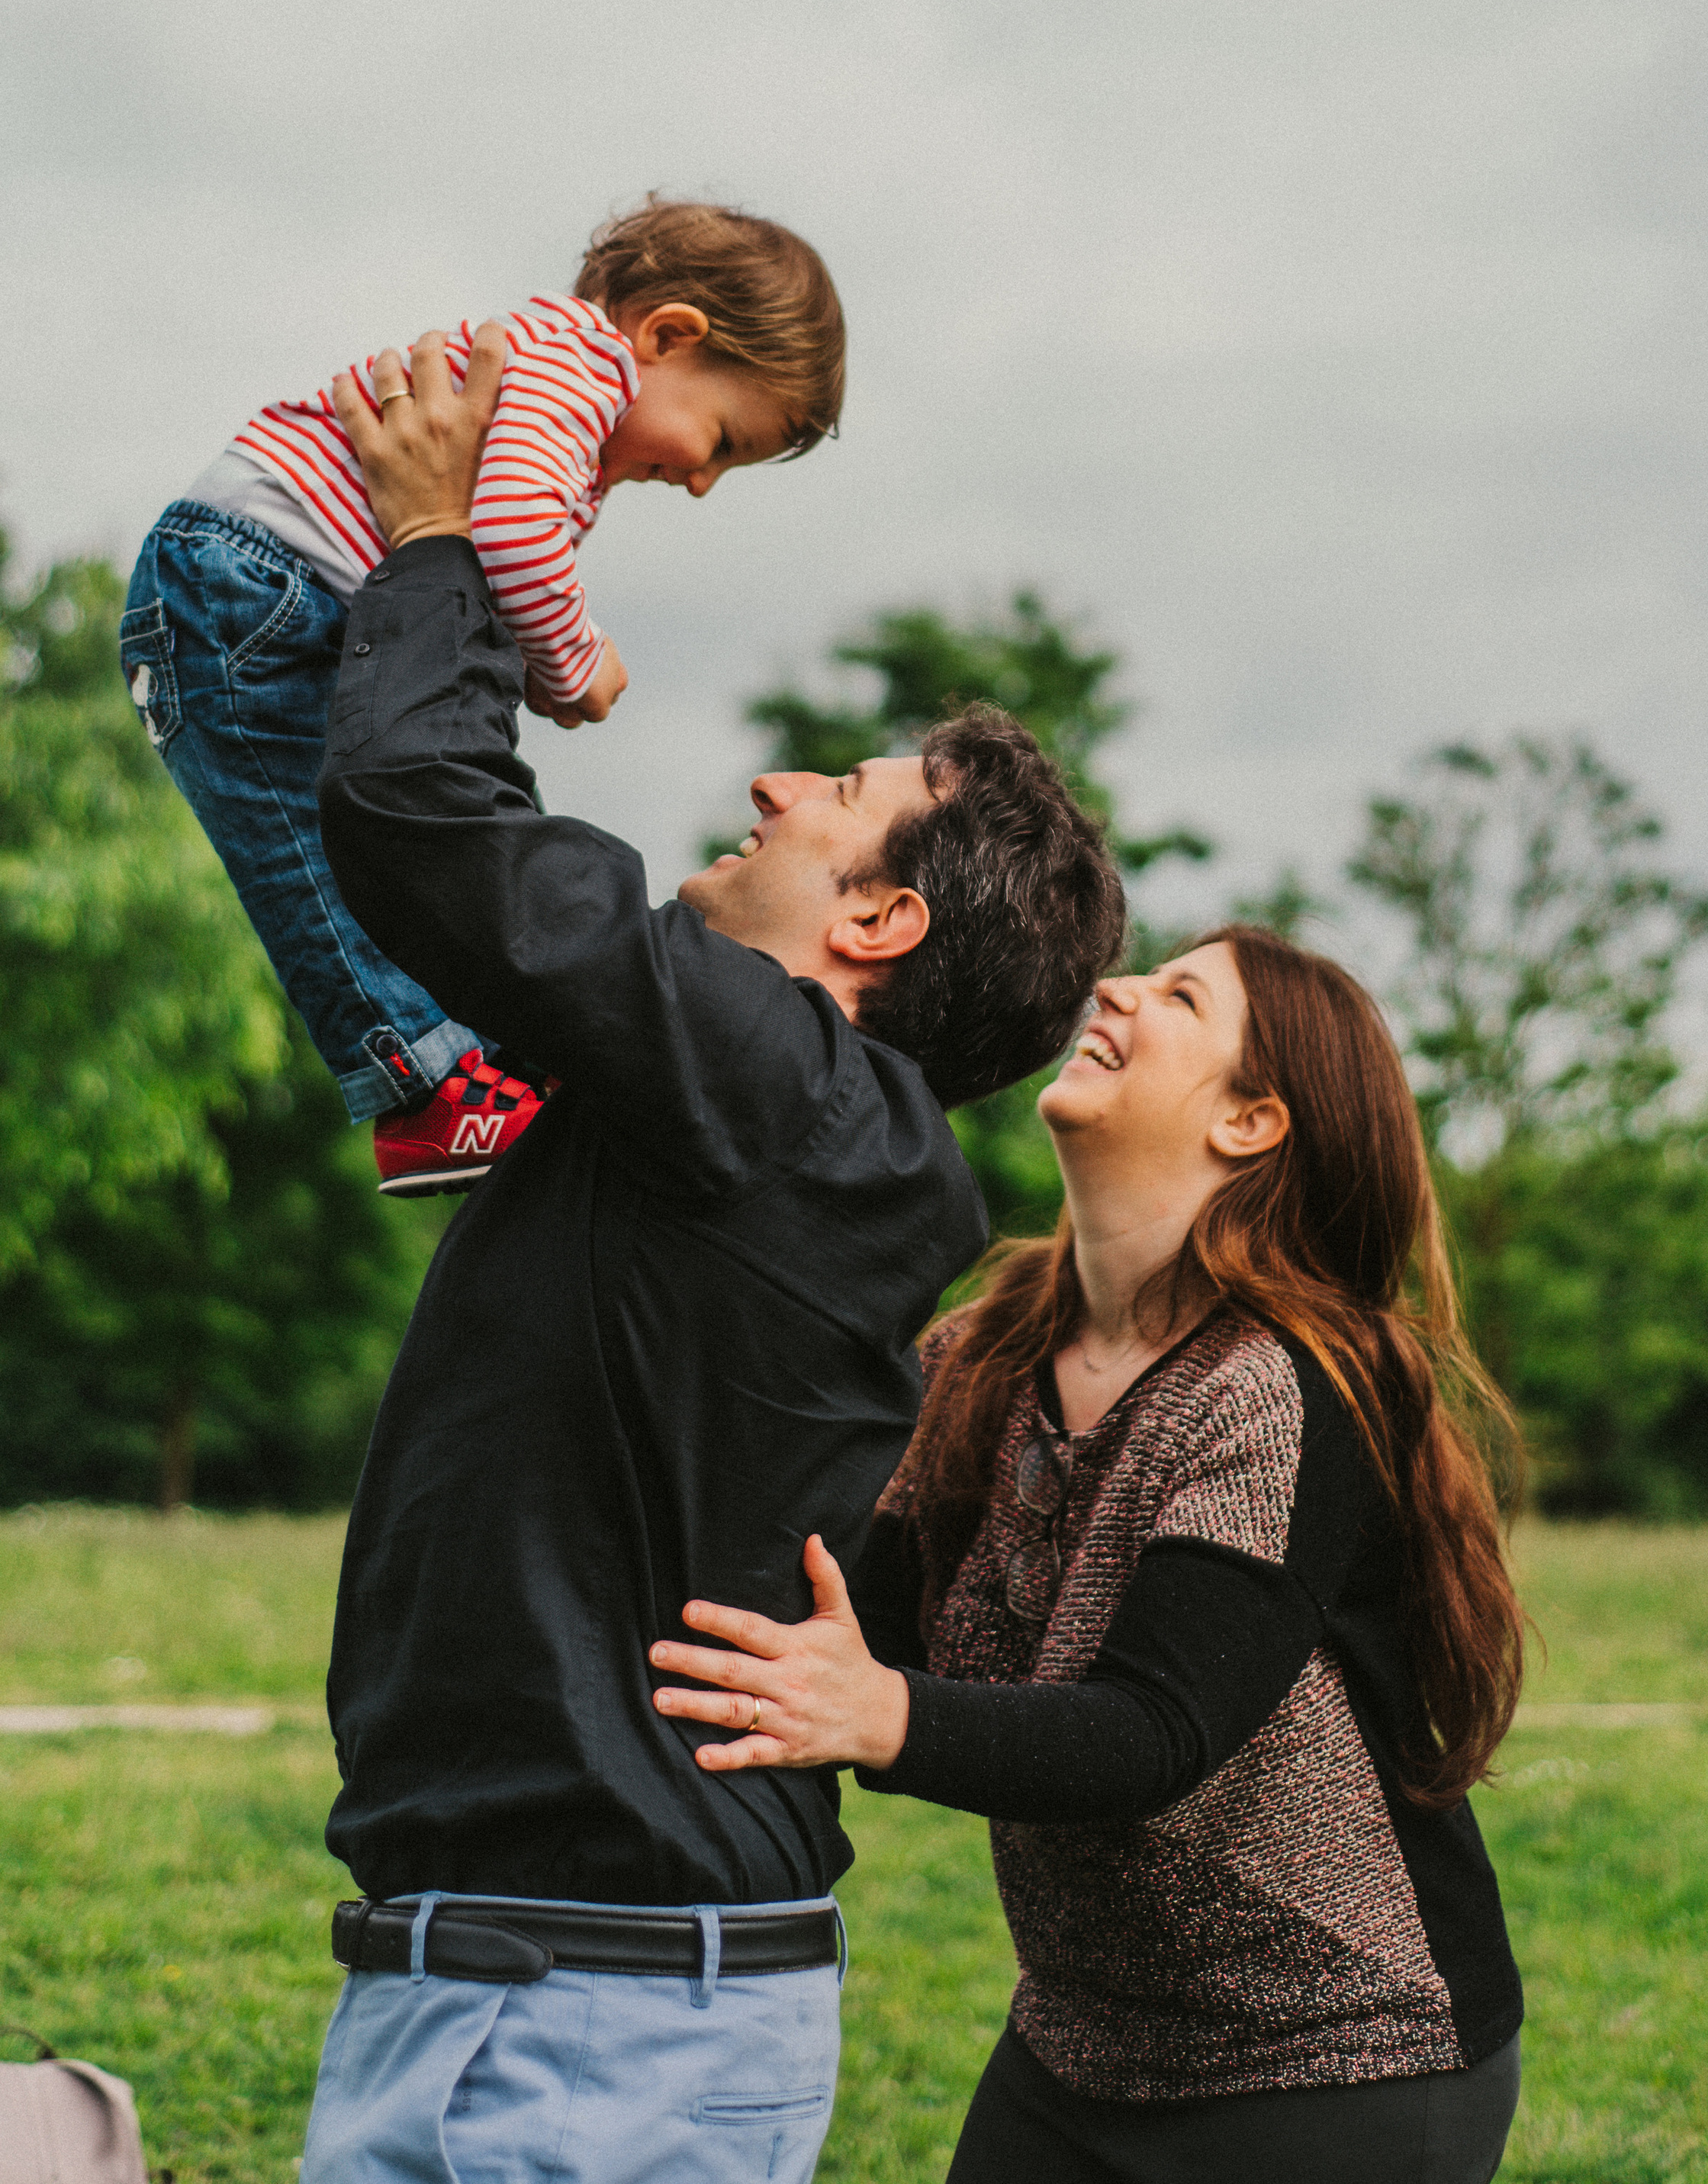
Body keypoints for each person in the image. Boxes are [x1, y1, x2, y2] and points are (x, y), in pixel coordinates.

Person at [294, 324, 1127, 2184]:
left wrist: (442, 546)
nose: (769, 792)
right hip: (554, 1985)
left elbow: (437, 834)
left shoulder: (785, 1086)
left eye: (831, 794)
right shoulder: (772, 1122)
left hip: (592, 2017)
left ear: (878, 915)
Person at [653, 927, 1529, 2184]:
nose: (1112, 985)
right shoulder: (979, 1358)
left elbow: (1147, 1736)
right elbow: (855, 1630)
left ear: (1251, 1121)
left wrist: (877, 1712)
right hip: (1084, 2047)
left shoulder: (1286, 1382)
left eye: (1179, 994)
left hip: (1344, 2060)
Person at [118, 195, 845, 1195]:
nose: (705, 482)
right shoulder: (573, 365)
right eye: (722, 439)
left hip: (257, 590)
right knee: (310, 848)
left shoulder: (564, 379)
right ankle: (427, 1087)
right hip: (255, 587)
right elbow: (502, 531)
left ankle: (485, 1047)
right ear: (668, 335)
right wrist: (574, 661)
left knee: (404, 833)